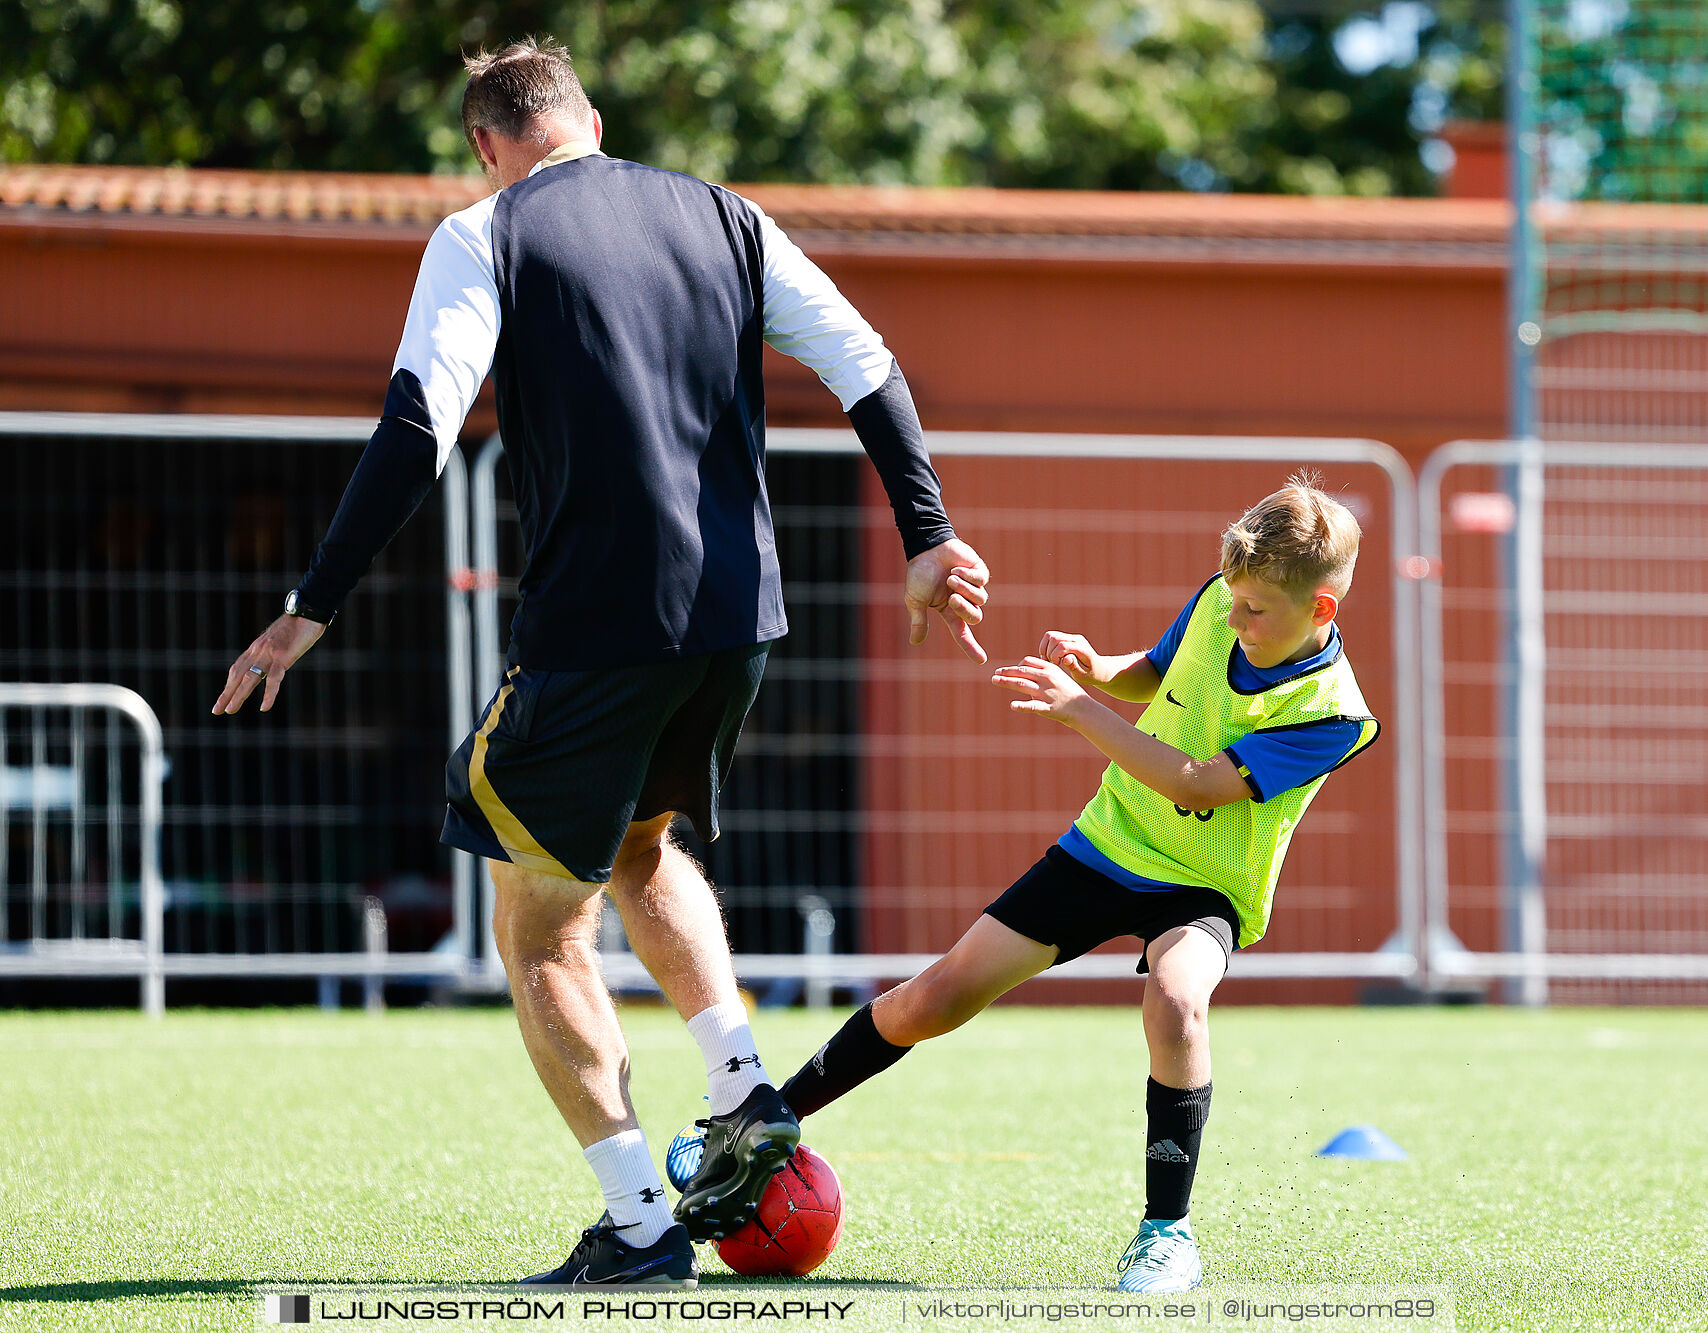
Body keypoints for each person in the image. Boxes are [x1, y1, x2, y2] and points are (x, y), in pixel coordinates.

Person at [211, 36, 989, 1290]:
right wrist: (929, 535)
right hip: (738, 624)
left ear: (484, 143)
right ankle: (743, 1092)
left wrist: (311, 604)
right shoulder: (726, 214)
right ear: (591, 117)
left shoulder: (485, 233)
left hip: (596, 631)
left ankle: (637, 1228)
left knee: (536, 925)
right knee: (638, 842)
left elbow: (419, 424)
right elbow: (868, 363)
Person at [779, 474, 1378, 1294]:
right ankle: (760, 1123)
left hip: (1204, 888)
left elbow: (1200, 782)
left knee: (1177, 1000)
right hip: (1109, 843)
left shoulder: (1334, 713)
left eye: (1255, 611)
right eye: (1231, 600)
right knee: (935, 997)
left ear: (1322, 612)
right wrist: (1099, 668)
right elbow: (1160, 670)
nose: (1234, 620)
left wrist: (1078, 709)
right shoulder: (1222, 598)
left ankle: (1167, 1234)